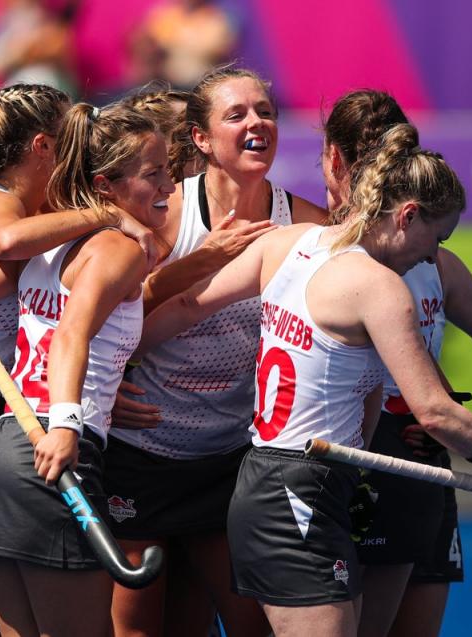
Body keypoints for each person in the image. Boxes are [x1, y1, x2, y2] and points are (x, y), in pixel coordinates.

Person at [136, 123, 472, 637]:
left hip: (277, 481)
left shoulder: (288, 242)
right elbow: (434, 411)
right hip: (297, 490)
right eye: (437, 238)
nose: (433, 257)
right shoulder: (381, 288)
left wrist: (120, 359)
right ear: (407, 216)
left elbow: (187, 306)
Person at [0, 101, 176, 635]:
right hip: (43, 444)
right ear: (104, 183)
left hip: (0, 447)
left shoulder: (41, 247)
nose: (170, 184)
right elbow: (69, 334)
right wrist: (69, 420)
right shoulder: (99, 244)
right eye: (155, 173)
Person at [320, 89, 472, 637]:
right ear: (338, 161)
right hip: (366, 462)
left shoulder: (436, 261)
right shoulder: (319, 250)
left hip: (428, 461)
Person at [105, 66, 328, 637]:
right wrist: (102, 390)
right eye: (237, 115)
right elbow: (96, 314)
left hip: (231, 458)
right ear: (201, 140)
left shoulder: (309, 225)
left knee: (249, 624)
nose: (257, 123)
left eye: (266, 111)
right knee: (135, 626)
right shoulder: (164, 214)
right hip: (139, 449)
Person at [0, 0, 80, 98]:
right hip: (18, 96)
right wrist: (17, 52)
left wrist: (50, 47)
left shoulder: (52, 21)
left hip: (54, 92)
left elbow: (64, 57)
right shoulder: (0, 25)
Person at [127, 0, 236, 90]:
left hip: (201, 84)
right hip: (166, 85)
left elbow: (219, 50)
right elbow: (143, 42)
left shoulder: (216, 18)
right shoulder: (165, 15)